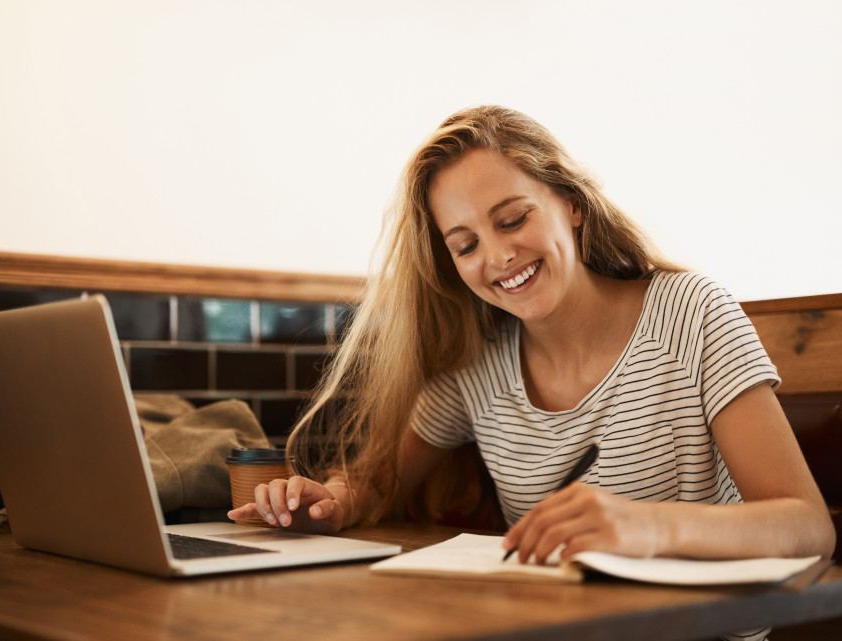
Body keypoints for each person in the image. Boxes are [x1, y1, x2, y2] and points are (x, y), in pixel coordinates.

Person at [228, 105, 835, 570]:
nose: (497, 257)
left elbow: (809, 526)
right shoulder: (480, 364)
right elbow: (376, 483)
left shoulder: (692, 314)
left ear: (570, 203)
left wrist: (649, 527)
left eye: (513, 218)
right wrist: (333, 500)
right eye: (465, 245)